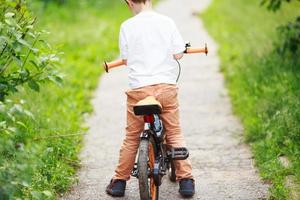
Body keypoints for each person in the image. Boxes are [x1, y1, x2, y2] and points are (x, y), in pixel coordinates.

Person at [105, 0, 195, 198]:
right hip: (166, 89)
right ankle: (186, 181)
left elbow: (126, 59)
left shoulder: (126, 26)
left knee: (131, 138)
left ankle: (119, 182)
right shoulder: (167, 22)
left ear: (129, 2)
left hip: (139, 92)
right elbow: (178, 54)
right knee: (174, 132)